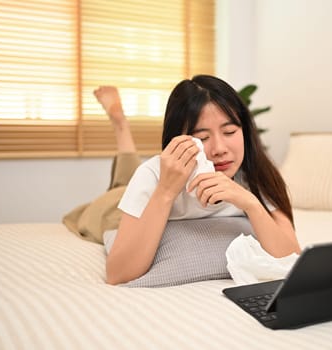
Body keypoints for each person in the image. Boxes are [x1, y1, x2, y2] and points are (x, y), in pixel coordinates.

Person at [64, 75, 301, 285]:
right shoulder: (152, 175)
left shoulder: (255, 173)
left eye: (229, 132)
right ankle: (120, 122)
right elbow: (118, 274)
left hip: (153, 186)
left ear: (245, 131)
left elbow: (291, 256)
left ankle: (120, 124)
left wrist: (250, 203)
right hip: (116, 207)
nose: (220, 149)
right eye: (202, 137)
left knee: (128, 179)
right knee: (120, 187)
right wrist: (166, 191)